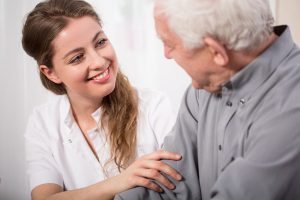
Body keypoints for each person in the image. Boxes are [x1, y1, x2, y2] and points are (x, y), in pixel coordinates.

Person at [115, 0, 300, 199]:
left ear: (216, 52)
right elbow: (165, 183)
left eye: (169, 43)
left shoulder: (291, 109)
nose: (166, 54)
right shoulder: (204, 88)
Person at [22, 0, 183, 199]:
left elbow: (180, 185)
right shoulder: (43, 122)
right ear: (51, 73)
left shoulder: (154, 106)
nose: (99, 61)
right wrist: (122, 181)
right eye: (77, 58)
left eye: (100, 42)